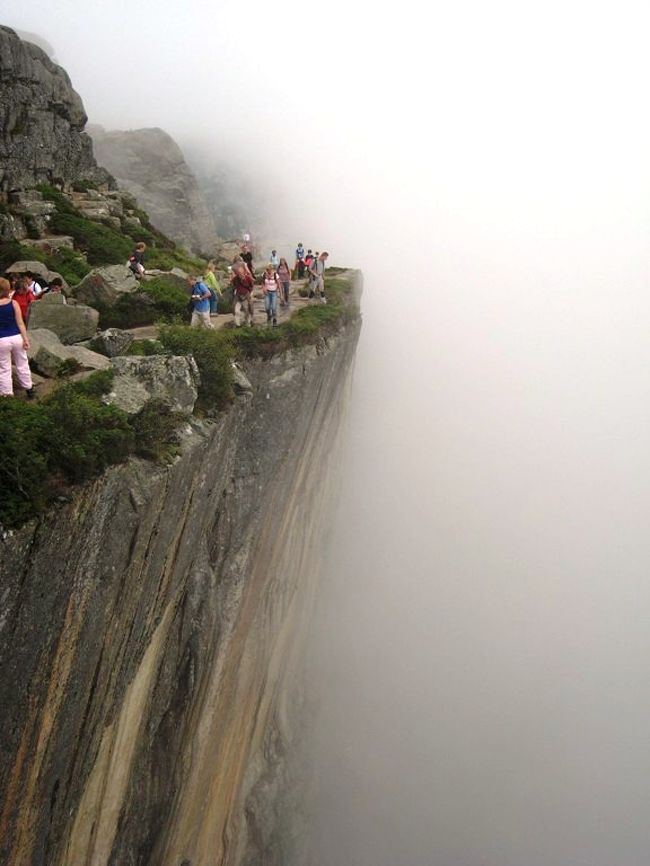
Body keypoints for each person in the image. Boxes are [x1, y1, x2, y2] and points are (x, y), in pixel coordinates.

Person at [0, 277, 33, 398]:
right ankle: (29, 389)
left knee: (4, 368)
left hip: (1, 340)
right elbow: (20, 323)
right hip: (16, 337)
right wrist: (25, 339)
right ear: (8, 289)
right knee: (22, 363)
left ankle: (7, 395)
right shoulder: (14, 303)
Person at [231, 262, 255, 327]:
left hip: (246, 295)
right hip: (238, 295)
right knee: (235, 310)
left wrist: (250, 293)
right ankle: (237, 324)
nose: (240, 275)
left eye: (241, 273)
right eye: (238, 273)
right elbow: (233, 284)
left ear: (244, 272)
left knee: (246, 309)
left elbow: (252, 286)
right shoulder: (235, 279)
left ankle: (248, 323)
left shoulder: (248, 278)